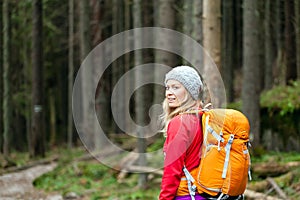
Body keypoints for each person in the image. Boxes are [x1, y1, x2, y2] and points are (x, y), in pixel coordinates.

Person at [159, 66, 205, 200]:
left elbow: (172, 170)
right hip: (205, 194)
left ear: (190, 91)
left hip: (186, 195)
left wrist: (165, 198)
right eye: (167, 88)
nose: (168, 93)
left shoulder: (180, 123)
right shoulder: (203, 116)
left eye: (175, 87)